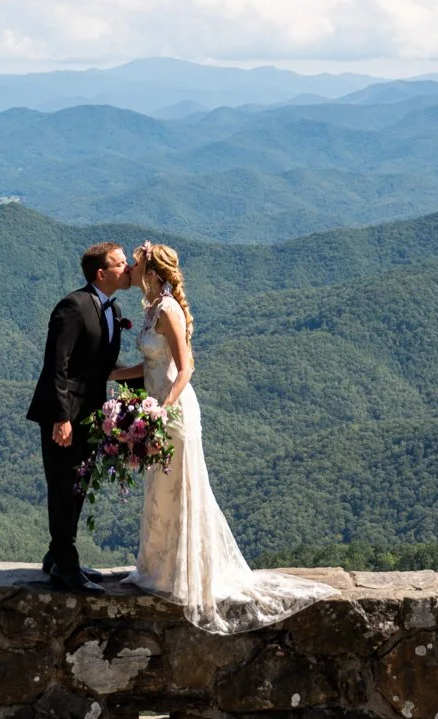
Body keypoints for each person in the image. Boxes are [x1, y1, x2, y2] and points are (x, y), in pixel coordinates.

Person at [112, 241, 335, 633]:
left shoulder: (167, 309)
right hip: (157, 409)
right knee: (160, 489)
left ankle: (186, 574)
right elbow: (151, 365)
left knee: (181, 487)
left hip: (175, 413)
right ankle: (161, 571)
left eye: (135, 263)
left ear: (150, 271)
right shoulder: (151, 309)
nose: (130, 268)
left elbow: (185, 368)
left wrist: (163, 408)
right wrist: (114, 374)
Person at [25, 240, 132, 593]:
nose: (127, 267)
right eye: (120, 263)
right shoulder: (73, 306)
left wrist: (145, 373)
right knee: (62, 485)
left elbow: (102, 367)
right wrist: (61, 418)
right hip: (65, 415)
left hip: (89, 414)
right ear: (102, 273)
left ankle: (56, 557)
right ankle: (66, 569)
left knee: (77, 485)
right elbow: (58, 364)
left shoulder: (112, 311)